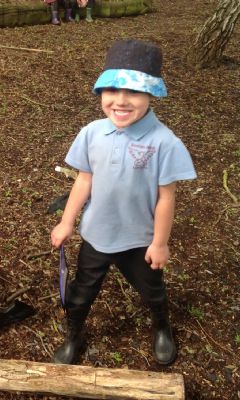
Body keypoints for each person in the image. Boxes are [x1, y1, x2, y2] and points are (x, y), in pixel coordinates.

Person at [50, 39, 197, 366]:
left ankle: (162, 327)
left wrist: (160, 243)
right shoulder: (92, 133)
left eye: (133, 91)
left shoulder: (165, 143)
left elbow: (166, 197)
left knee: (152, 291)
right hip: (97, 235)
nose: (120, 100)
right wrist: (66, 222)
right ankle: (73, 334)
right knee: (80, 293)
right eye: (112, 90)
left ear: (151, 94)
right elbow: (84, 179)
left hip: (139, 240)